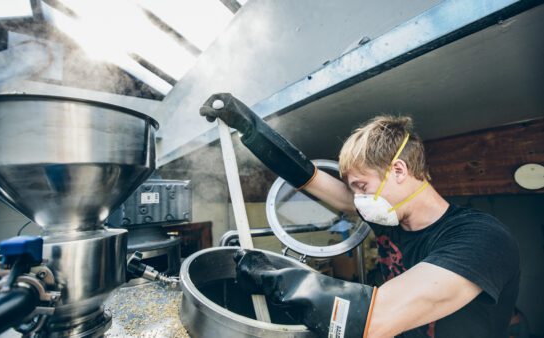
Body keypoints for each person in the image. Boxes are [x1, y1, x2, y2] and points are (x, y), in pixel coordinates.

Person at [199, 93, 520, 338]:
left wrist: (277, 278)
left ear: (398, 170)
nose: (358, 201)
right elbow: (308, 178)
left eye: (362, 186)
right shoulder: (389, 213)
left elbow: (377, 317)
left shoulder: (480, 239)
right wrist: (249, 126)